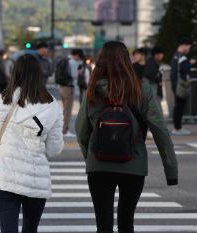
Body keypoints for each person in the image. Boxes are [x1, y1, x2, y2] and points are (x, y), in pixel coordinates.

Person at [75, 41, 178, 233]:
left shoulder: (93, 90)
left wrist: (91, 156)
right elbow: (161, 131)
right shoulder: (142, 89)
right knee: (126, 222)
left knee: (103, 225)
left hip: (99, 167)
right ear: (127, 60)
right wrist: (171, 171)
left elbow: (81, 131)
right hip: (134, 165)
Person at [0, 54, 64, 233]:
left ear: (14, 73)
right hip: (36, 178)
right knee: (30, 228)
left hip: (5, 176)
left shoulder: (0, 100)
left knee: (8, 229)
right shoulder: (51, 104)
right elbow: (54, 149)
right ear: (39, 74)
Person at [58, 49, 84, 137]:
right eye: (79, 57)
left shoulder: (65, 60)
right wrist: (79, 72)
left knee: (64, 109)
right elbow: (73, 75)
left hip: (62, 87)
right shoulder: (72, 62)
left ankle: (63, 129)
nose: (79, 59)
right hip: (68, 88)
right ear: (76, 55)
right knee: (68, 110)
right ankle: (64, 130)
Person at [170, 37, 193, 135]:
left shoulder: (175, 55)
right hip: (180, 84)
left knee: (178, 105)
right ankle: (177, 128)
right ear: (184, 45)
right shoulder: (182, 57)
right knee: (179, 106)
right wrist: (190, 63)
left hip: (175, 83)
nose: (189, 49)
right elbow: (184, 69)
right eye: (189, 47)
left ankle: (177, 127)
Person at [143, 46, 165, 114]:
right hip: (153, 93)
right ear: (156, 54)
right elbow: (152, 77)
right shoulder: (151, 64)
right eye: (161, 54)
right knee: (158, 114)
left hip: (153, 93)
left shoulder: (152, 63)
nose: (162, 56)